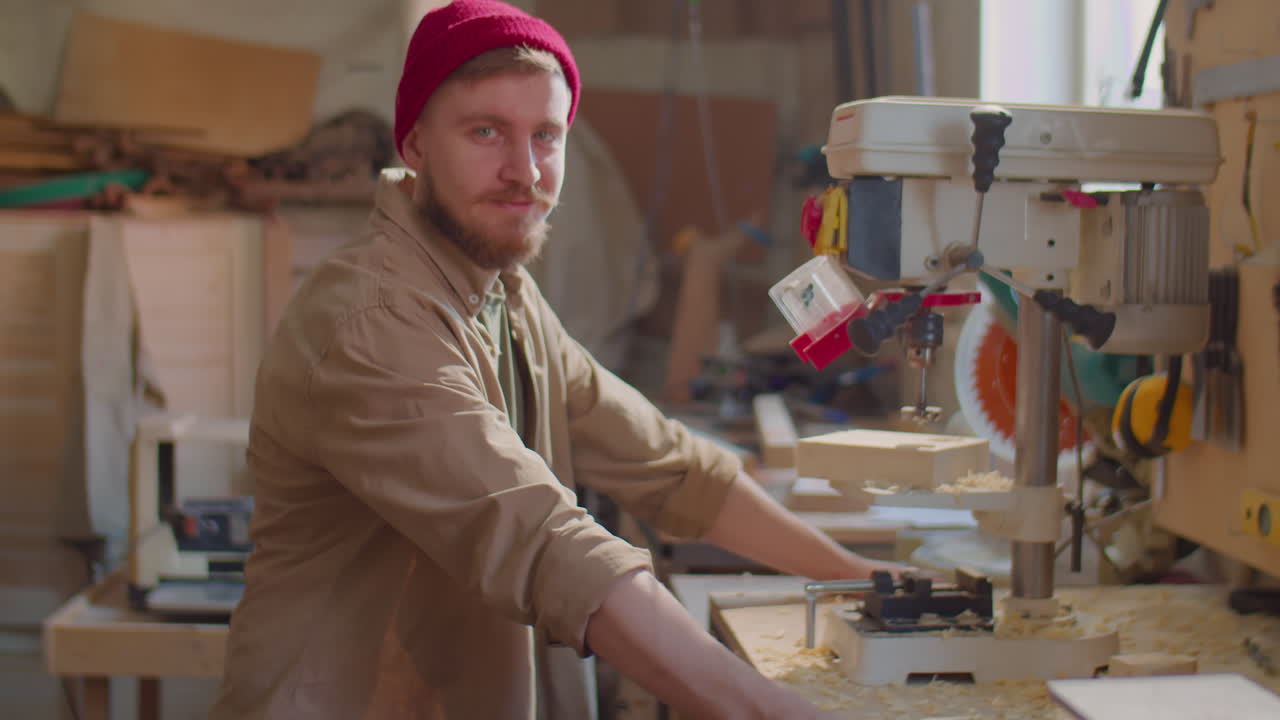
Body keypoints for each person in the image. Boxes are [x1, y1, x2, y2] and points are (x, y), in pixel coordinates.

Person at [211, 2, 912, 718]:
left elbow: (668, 466)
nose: (524, 171)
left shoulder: (504, 294)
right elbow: (542, 541)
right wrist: (769, 709)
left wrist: (866, 580)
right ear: (416, 144)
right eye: (486, 132)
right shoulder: (373, 321)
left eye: (546, 135)